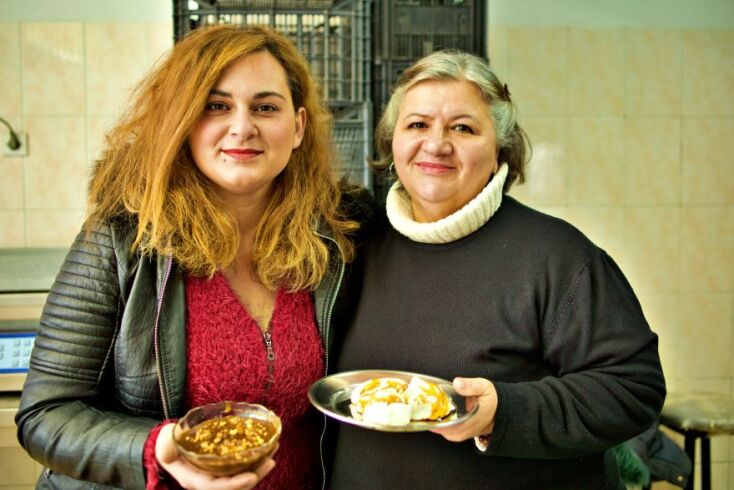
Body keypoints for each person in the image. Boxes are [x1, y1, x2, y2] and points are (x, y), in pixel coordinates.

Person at [15, 24, 373, 490]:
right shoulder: (122, 238)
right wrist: (160, 449)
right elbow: (45, 414)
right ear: (182, 120)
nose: (242, 127)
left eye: (265, 107)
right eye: (216, 106)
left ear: (299, 127)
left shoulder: (337, 235)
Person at [329, 50, 666, 489]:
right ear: (393, 143)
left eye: (463, 128)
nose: (436, 144)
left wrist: (503, 413)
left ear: (499, 153)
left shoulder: (556, 256)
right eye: (417, 125)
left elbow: (633, 388)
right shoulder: (355, 245)